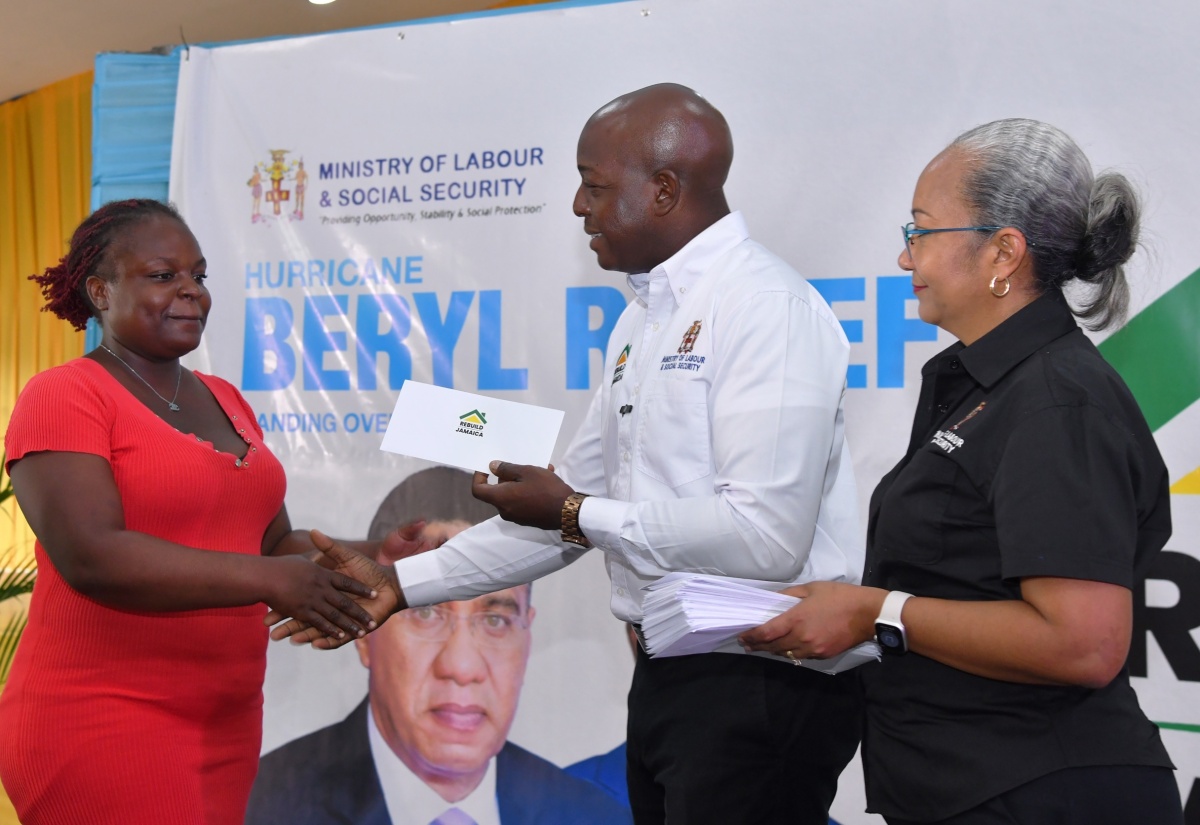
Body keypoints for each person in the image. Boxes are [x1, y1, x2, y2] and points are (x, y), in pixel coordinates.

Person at [279, 83, 863, 825]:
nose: (579, 207)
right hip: (672, 677)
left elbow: (766, 537)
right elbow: (560, 516)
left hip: (764, 681)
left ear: (662, 190)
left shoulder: (764, 307)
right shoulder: (638, 324)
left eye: (594, 186)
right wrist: (400, 584)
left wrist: (578, 511)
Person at [741, 118, 1185, 825]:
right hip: (972, 789)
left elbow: (1086, 642)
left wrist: (872, 610)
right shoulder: (987, 385)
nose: (901, 255)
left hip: (1043, 792)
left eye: (921, 230)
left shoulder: (1056, 402)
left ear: (1002, 252)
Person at [0, 199, 406, 825]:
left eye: (199, 275)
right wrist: (272, 580)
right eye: (164, 276)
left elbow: (270, 543)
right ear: (100, 291)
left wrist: (379, 551)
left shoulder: (224, 398)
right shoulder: (63, 395)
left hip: (225, 719)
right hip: (101, 715)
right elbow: (92, 555)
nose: (191, 291)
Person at [246, 467, 632, 825]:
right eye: (426, 613)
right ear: (364, 633)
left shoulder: (592, 813)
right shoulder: (263, 805)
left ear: (527, 636)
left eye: (495, 619)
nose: (461, 667)